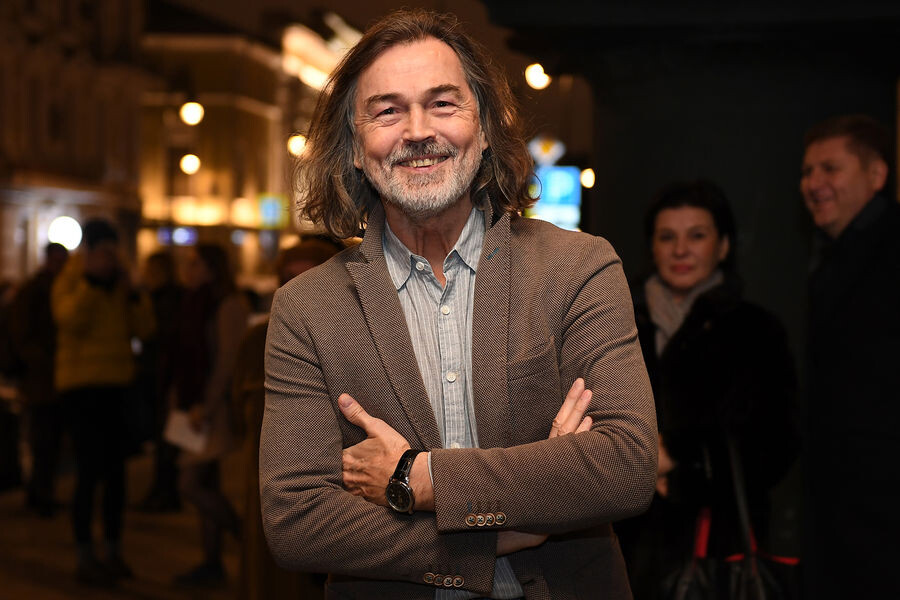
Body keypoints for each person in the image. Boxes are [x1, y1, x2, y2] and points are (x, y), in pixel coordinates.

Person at [260, 9, 657, 599]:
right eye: (388, 111)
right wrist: (502, 530)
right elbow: (296, 523)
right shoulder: (306, 309)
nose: (418, 131)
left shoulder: (578, 267)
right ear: (354, 148)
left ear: (486, 127)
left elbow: (626, 465)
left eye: (443, 104)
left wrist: (416, 479)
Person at [615, 181, 798, 599]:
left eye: (696, 235)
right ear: (652, 247)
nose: (680, 250)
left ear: (724, 246)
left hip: (717, 547)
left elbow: (777, 444)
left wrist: (683, 462)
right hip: (620, 545)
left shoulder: (756, 331)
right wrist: (640, 459)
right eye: (667, 237)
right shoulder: (616, 323)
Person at [799, 114, 900, 599]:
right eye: (807, 171)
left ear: (876, 175)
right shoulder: (834, 257)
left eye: (830, 168)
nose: (813, 183)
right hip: (845, 502)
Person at [232, 237, 342, 600]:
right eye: (288, 280)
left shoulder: (349, 338)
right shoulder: (257, 339)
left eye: (306, 279)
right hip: (268, 474)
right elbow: (237, 404)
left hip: (332, 486)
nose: (296, 291)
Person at [51, 218, 155, 586]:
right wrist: (92, 283)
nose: (109, 257)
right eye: (103, 250)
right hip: (80, 388)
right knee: (87, 473)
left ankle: (113, 549)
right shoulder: (71, 279)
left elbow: (145, 328)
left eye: (113, 250)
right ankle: (84, 554)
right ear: (89, 251)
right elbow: (69, 321)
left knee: (116, 475)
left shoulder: (121, 281)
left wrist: (133, 294)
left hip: (117, 386)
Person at [171, 244, 248, 588]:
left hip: (211, 408)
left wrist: (207, 404)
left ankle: (247, 538)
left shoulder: (228, 304)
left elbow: (227, 361)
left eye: (195, 263)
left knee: (189, 483)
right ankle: (212, 562)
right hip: (193, 405)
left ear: (212, 267)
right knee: (206, 483)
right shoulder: (195, 301)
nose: (188, 270)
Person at [9, 242, 69, 516]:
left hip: (54, 376)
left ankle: (42, 490)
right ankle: (39, 492)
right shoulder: (34, 290)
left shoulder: (59, 288)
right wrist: (41, 361)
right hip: (40, 378)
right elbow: (21, 335)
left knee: (51, 439)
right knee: (43, 437)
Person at [136, 251, 184, 513]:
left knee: (165, 435)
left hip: (163, 375)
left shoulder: (164, 300)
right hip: (160, 374)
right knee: (165, 435)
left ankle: (165, 491)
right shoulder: (170, 297)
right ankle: (164, 490)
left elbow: (160, 336)